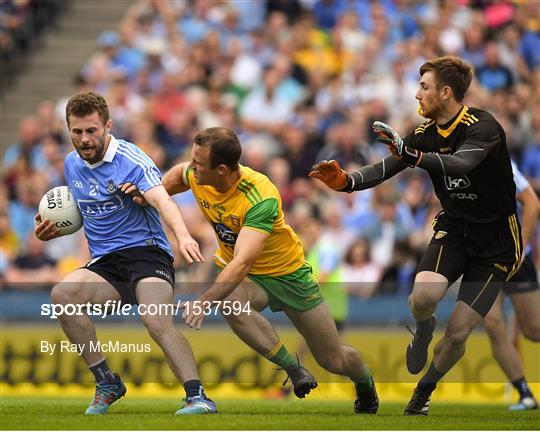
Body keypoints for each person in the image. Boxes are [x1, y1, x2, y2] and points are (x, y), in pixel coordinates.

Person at [310, 56, 523, 416]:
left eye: (424, 87)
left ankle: (424, 391)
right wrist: (346, 182)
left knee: (457, 333)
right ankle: (423, 331)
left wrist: (411, 154)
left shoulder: (483, 126)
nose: (417, 94)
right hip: (455, 228)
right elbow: (385, 167)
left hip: (497, 241)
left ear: (445, 92)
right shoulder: (423, 133)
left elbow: (461, 163)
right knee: (422, 299)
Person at [124, 126, 378, 414]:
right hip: (249, 279)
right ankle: (293, 369)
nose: (191, 167)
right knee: (231, 303)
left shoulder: (260, 196)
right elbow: (177, 175)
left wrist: (204, 300)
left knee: (334, 360)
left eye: (198, 163)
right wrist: (152, 193)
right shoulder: (197, 175)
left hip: (288, 275)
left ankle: (365, 383)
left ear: (221, 169)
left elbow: (242, 261)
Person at [34, 92, 216, 416]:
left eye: (91, 130)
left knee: (155, 318)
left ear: (108, 126)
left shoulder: (131, 160)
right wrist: (54, 227)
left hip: (147, 254)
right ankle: (107, 382)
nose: (84, 139)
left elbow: (163, 201)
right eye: (77, 132)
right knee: (62, 294)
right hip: (106, 263)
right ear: (68, 129)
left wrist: (184, 236)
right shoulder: (71, 164)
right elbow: (84, 213)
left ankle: (197, 396)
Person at [483, 160, 539, 411]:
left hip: (515, 256)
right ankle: (525, 394)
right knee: (493, 324)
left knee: (534, 329)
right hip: (482, 260)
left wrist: (521, 248)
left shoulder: (500, 161)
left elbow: (532, 203)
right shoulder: (449, 163)